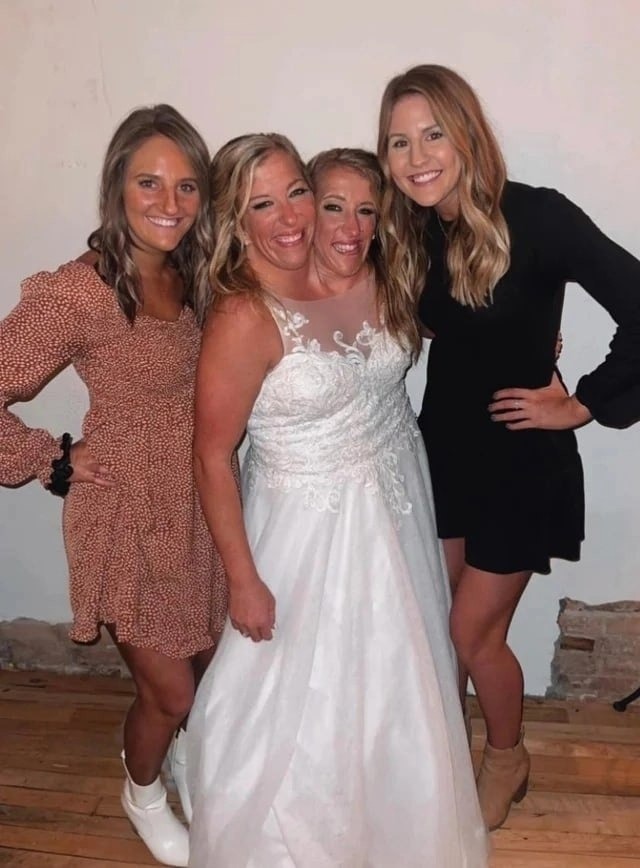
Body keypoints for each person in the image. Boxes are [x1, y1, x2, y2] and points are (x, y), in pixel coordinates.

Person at [187, 136, 487, 867]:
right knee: (294, 690)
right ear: (237, 220)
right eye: (268, 203)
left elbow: (461, 323)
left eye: (297, 194)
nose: (301, 218)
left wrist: (534, 344)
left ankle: (394, 822)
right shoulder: (244, 316)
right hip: (304, 527)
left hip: (396, 504)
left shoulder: (381, 273)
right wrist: (243, 579)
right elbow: (211, 455)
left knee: (393, 681)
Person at [377, 63, 640, 831]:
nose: (417, 156)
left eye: (432, 133)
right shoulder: (411, 232)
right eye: (399, 141)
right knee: (440, 626)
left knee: (472, 632)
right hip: (444, 449)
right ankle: (443, 752)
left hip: (521, 460)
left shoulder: (538, 215)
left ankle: (506, 757)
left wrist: (582, 403)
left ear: (466, 133)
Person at [0, 104, 229, 866]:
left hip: (199, 504)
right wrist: (51, 459)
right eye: (149, 183)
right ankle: (142, 791)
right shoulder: (81, 291)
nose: (169, 202)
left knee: (208, 670)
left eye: (187, 185)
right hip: (129, 511)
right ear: (117, 188)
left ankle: (183, 756)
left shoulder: (196, 270)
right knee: (172, 692)